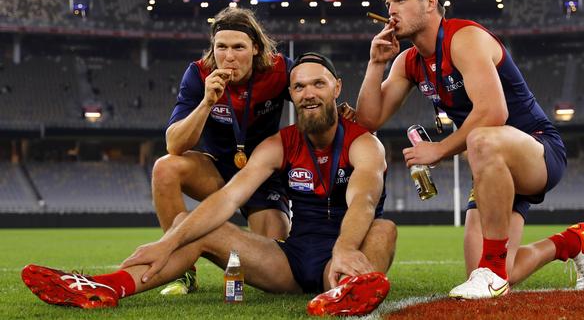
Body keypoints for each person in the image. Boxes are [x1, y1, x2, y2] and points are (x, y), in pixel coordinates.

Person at [21, 53, 396, 317]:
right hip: (293, 261)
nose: (308, 93)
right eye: (299, 87)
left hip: (346, 253)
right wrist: (168, 240)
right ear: (292, 95)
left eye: (318, 84)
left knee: (384, 228)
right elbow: (229, 197)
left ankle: (344, 292)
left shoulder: (364, 143)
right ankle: (105, 286)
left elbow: (362, 199)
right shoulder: (279, 144)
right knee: (196, 229)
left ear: (336, 88)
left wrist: (345, 249)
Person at [355, 0, 584, 299]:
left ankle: (494, 271)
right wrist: (375, 65)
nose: (391, 10)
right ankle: (573, 242)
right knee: (486, 269)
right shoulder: (408, 61)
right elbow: (369, 120)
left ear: (431, 3)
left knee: (481, 139)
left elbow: (493, 113)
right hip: (491, 166)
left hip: (538, 150)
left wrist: (439, 149)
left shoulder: (464, 37)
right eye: (388, 4)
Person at [153, 6, 292, 295]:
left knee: (278, 266)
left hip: (262, 177)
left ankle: (225, 244)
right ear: (213, 48)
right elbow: (175, 145)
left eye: (238, 47)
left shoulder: (279, 70)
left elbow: (311, 92)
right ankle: (182, 273)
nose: (229, 56)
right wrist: (206, 102)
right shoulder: (199, 73)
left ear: (255, 47)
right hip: (217, 172)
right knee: (165, 167)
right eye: (221, 47)